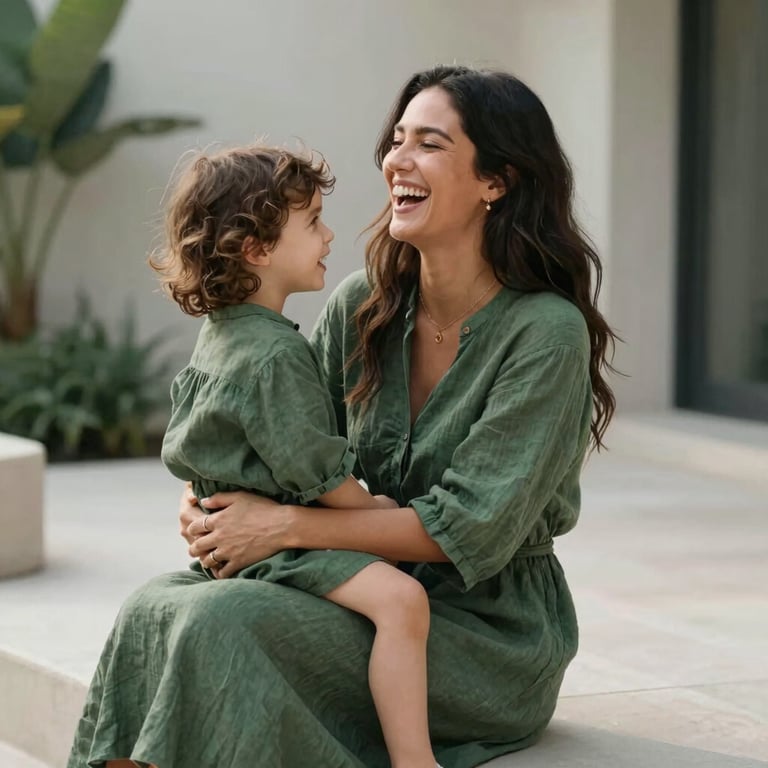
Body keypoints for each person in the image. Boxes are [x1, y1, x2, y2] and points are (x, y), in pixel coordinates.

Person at [68, 64, 617, 768]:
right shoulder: (363, 303)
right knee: (152, 608)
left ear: (496, 181)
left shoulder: (546, 333)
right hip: (349, 584)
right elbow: (278, 437)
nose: (397, 160)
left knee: (221, 623)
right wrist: (208, 506)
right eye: (397, 139)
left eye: (429, 143)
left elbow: (467, 529)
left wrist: (282, 527)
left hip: (483, 634)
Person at [147, 144, 441, 768]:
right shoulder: (276, 355)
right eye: (312, 223)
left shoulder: (219, 335)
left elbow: (194, 443)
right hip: (279, 551)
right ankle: (415, 760)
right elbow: (316, 470)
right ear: (257, 249)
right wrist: (374, 512)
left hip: (229, 542)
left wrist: (197, 500)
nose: (328, 235)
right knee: (404, 602)